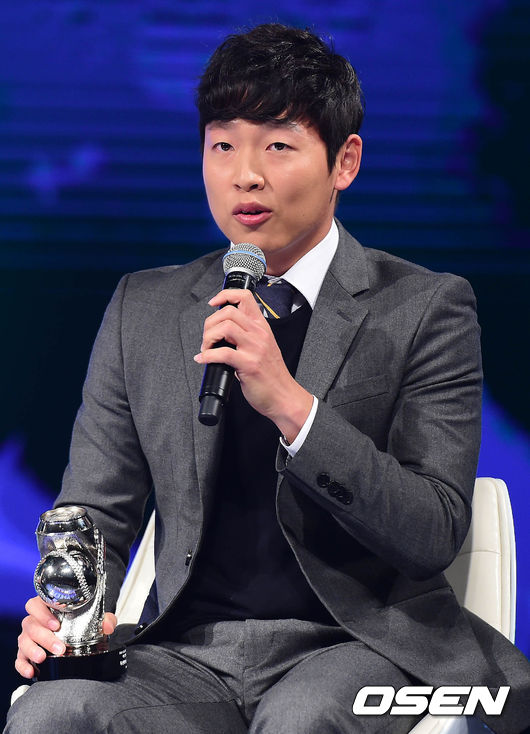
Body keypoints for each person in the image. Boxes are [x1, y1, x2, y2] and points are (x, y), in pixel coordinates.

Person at [6, 23, 530, 734]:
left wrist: (292, 407)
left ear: (345, 162)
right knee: (51, 713)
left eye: (278, 146)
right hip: (184, 652)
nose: (244, 175)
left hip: (356, 643)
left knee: (299, 721)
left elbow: (433, 528)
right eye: (222, 145)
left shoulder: (425, 308)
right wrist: (65, 606)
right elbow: (95, 510)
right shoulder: (145, 308)